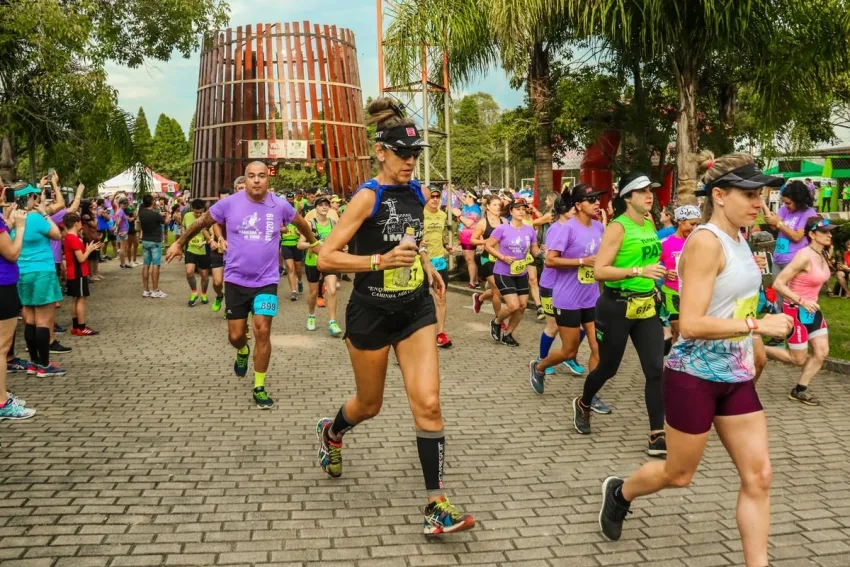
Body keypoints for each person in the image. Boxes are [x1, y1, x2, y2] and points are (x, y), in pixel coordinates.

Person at [597, 152, 793, 567]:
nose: (760, 202)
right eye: (750, 194)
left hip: (735, 374)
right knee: (678, 474)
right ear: (719, 195)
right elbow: (690, 324)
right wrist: (758, 328)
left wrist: (755, 330)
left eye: (761, 194)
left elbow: (733, 307)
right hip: (694, 375)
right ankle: (620, 492)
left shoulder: (740, 238)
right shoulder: (705, 242)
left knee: (759, 477)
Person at [314, 98, 474, 535]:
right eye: (402, 154)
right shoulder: (368, 197)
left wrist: (425, 267)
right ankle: (332, 431)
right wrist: (377, 263)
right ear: (381, 152)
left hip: (414, 309)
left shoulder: (420, 194)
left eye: (415, 154)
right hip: (370, 313)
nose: (410, 162)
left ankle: (436, 504)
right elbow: (326, 257)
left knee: (429, 403)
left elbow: (412, 239)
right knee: (370, 404)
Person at [166, 162, 316, 409]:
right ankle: (243, 351)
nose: (257, 180)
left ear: (268, 180)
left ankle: (259, 387)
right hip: (235, 280)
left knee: (263, 331)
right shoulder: (229, 204)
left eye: (261, 176)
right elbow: (201, 223)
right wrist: (180, 243)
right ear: (244, 180)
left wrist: (313, 242)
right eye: (251, 176)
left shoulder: (279, 204)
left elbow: (301, 223)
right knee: (236, 336)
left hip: (266, 281)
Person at [572, 172, 667, 456]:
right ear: (627, 197)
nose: (649, 195)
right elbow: (600, 270)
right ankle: (584, 402)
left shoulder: (649, 223)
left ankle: (656, 434)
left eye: (651, 190)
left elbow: (649, 259)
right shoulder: (617, 227)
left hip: (646, 305)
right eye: (642, 191)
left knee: (655, 370)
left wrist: (658, 275)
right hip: (617, 307)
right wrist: (638, 271)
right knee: (608, 368)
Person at [530, 186, 606, 415]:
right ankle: (540, 367)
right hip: (568, 299)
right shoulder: (566, 229)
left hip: (591, 297)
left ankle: (590, 396)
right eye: (590, 199)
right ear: (578, 204)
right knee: (569, 352)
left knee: (598, 348)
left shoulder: (599, 227)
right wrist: (582, 261)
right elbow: (551, 261)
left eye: (597, 198)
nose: (596, 203)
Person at [764, 216, 835, 406]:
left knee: (821, 352)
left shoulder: (823, 254)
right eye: (824, 232)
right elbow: (778, 284)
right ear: (812, 234)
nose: (829, 235)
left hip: (812, 310)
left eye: (830, 232)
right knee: (798, 359)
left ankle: (799, 390)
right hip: (795, 309)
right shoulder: (803, 256)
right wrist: (802, 300)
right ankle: (759, 349)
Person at [12, 183, 66, 377]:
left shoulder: (12, 220)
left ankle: (34, 362)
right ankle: (43, 365)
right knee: (44, 320)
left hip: (23, 272)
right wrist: (44, 213)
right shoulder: (35, 218)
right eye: (35, 197)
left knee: (30, 319)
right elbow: (57, 235)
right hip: (42, 270)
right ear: (30, 199)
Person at [484, 197, 540, 347]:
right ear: (511, 211)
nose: (521, 212)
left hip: (521, 272)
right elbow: (488, 246)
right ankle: (496, 321)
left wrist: (543, 251)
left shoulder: (529, 230)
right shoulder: (502, 229)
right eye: (518, 209)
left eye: (523, 209)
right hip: (503, 272)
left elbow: (535, 252)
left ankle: (508, 334)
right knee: (513, 306)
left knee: (522, 306)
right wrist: (502, 257)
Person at [0, 206, 36, 419]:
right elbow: (12, 253)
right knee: (2, 347)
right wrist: (20, 228)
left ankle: (3, 394)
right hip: (3, 284)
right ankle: (2, 402)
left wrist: (9, 225)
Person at [762, 180, 817, 305]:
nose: (786, 205)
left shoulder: (808, 213)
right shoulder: (784, 209)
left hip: (794, 261)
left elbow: (797, 236)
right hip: (778, 259)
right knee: (779, 297)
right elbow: (775, 227)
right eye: (784, 202)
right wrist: (770, 219)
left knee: (792, 299)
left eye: (789, 203)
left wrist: (778, 223)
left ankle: (794, 323)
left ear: (799, 201)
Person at [298, 196, 342, 337]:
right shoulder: (310, 224)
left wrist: (342, 247)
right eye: (321, 205)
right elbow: (300, 245)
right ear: (315, 208)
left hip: (329, 261)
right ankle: (311, 316)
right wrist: (315, 245)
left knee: (332, 290)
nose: (324, 207)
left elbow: (338, 242)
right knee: (313, 293)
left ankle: (332, 322)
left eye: (326, 205)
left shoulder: (333, 223)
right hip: (313, 262)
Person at [659, 205, 702, 346]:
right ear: (680, 221)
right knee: (683, 332)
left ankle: (675, 361)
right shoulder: (665, 243)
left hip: (693, 294)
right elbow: (649, 266)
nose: (694, 228)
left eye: (697, 224)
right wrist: (664, 272)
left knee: (681, 336)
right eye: (692, 224)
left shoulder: (698, 242)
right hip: (672, 293)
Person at [423, 187, 454, 347]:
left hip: (438, 260)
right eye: (431, 196)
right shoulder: (419, 213)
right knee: (419, 299)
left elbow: (440, 234)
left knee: (441, 297)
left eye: (437, 196)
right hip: (421, 261)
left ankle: (440, 333)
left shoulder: (442, 215)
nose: (435, 199)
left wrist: (447, 245)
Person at [63, 213, 99, 336]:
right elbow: (81, 258)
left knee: (76, 298)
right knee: (81, 299)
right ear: (76, 223)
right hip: (78, 272)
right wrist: (88, 250)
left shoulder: (68, 237)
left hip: (73, 273)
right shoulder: (73, 239)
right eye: (79, 222)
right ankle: (82, 327)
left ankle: (75, 326)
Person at [470, 195, 504, 322]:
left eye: (499, 205)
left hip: (501, 258)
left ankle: (479, 298)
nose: (497, 207)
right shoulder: (483, 223)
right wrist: (485, 242)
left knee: (501, 289)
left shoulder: (504, 222)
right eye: (494, 204)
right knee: (497, 289)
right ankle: (498, 320)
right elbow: (472, 240)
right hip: (487, 258)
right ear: (488, 207)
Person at [182, 199, 212, 307]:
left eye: (200, 212)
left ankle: (204, 293)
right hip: (190, 249)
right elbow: (184, 227)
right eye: (196, 212)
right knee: (189, 272)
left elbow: (212, 235)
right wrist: (183, 236)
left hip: (203, 249)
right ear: (192, 209)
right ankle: (194, 292)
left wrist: (204, 242)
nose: (198, 214)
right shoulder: (187, 216)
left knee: (204, 275)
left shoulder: (207, 218)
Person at [139, 194, 168, 298]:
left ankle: (146, 290)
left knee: (146, 265)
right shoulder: (155, 215)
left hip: (145, 241)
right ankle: (155, 290)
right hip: (155, 241)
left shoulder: (141, 212)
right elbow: (166, 222)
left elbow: (144, 204)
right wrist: (168, 213)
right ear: (151, 202)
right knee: (156, 265)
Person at [453, 191, 481, 289]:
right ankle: (476, 280)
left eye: (466, 196)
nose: (464, 197)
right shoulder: (465, 207)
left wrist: (459, 215)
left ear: (471, 197)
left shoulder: (475, 208)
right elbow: (460, 221)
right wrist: (458, 216)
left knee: (470, 259)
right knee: (469, 259)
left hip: (471, 236)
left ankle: (472, 282)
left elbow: (469, 223)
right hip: (464, 236)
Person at [281, 192, 305, 301]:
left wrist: (298, 232)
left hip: (296, 245)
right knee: (290, 268)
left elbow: (304, 231)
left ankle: (299, 281)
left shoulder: (298, 219)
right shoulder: (281, 219)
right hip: (286, 244)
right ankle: (293, 291)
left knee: (298, 268)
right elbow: (277, 229)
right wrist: (282, 229)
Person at [114, 199, 132, 269]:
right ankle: (123, 264)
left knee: (123, 247)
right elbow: (118, 222)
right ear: (120, 204)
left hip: (123, 230)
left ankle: (123, 263)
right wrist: (117, 230)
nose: (125, 205)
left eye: (126, 204)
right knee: (122, 248)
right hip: (123, 231)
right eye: (124, 204)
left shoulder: (120, 211)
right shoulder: (120, 211)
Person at [126, 202, 139, 267]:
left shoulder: (131, 208)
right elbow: (130, 219)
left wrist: (134, 214)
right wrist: (134, 217)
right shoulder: (125, 210)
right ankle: (130, 261)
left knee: (136, 243)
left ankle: (134, 260)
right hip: (128, 228)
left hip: (132, 227)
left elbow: (135, 217)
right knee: (129, 245)